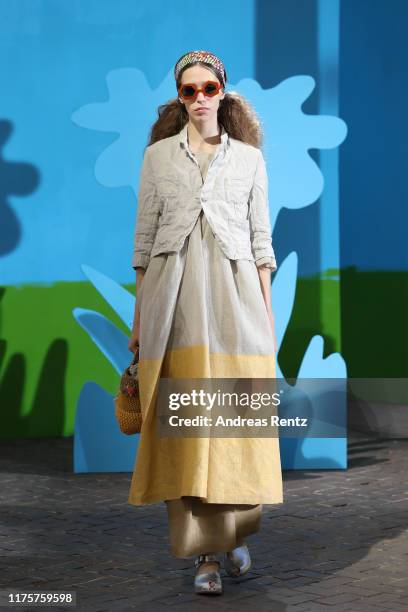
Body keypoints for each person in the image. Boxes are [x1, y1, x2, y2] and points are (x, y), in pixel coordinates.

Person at [127, 50, 283, 596]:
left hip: (236, 306)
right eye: (188, 91)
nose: (198, 99)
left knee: (236, 426)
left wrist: (267, 321)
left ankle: (234, 532)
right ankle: (205, 557)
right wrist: (138, 319)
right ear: (178, 97)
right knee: (188, 431)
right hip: (174, 305)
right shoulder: (157, 159)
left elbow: (263, 247)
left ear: (224, 91)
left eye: (208, 89)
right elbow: (143, 246)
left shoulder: (249, 160)